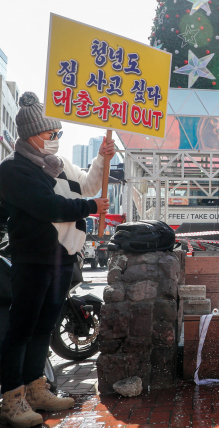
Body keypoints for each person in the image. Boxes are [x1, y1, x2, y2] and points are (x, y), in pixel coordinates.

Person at [0, 92, 112, 428]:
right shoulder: (13, 169)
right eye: (51, 135)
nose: (56, 141)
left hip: (63, 259)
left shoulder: (61, 166)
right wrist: (90, 209)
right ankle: (12, 399)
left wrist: (102, 159)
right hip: (31, 259)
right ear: (31, 135)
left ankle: (37, 388)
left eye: (58, 134)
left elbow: (90, 185)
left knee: (44, 327)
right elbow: (47, 206)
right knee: (21, 329)